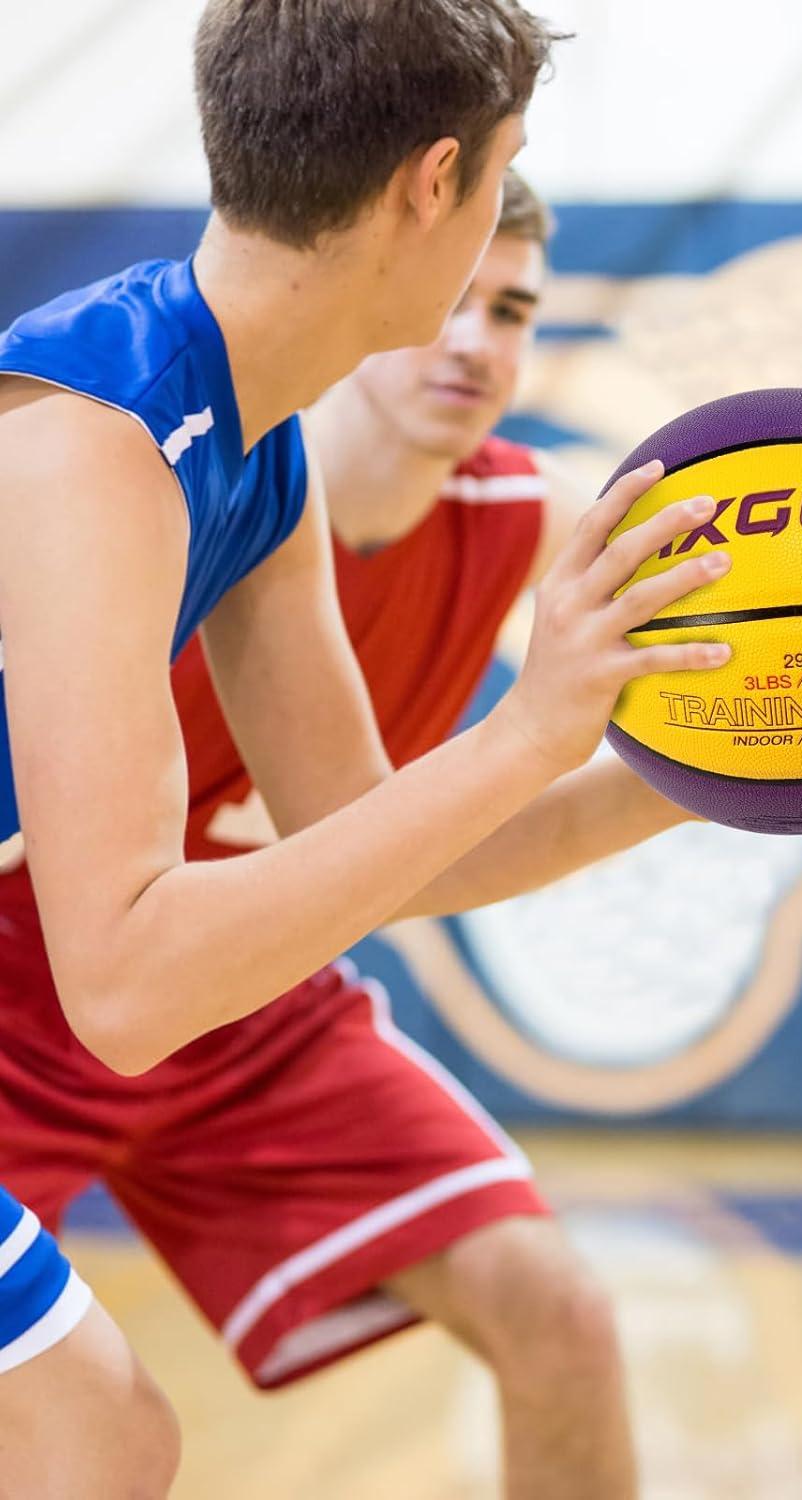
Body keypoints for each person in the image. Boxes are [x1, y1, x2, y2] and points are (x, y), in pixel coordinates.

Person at [0, 5, 746, 1494]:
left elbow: (386, 845)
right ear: (435, 182)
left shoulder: (249, 442)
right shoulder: (90, 437)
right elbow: (135, 984)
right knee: (94, 1438)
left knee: (97, 1441)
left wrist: (710, 769)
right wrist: (530, 730)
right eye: (504, 177)